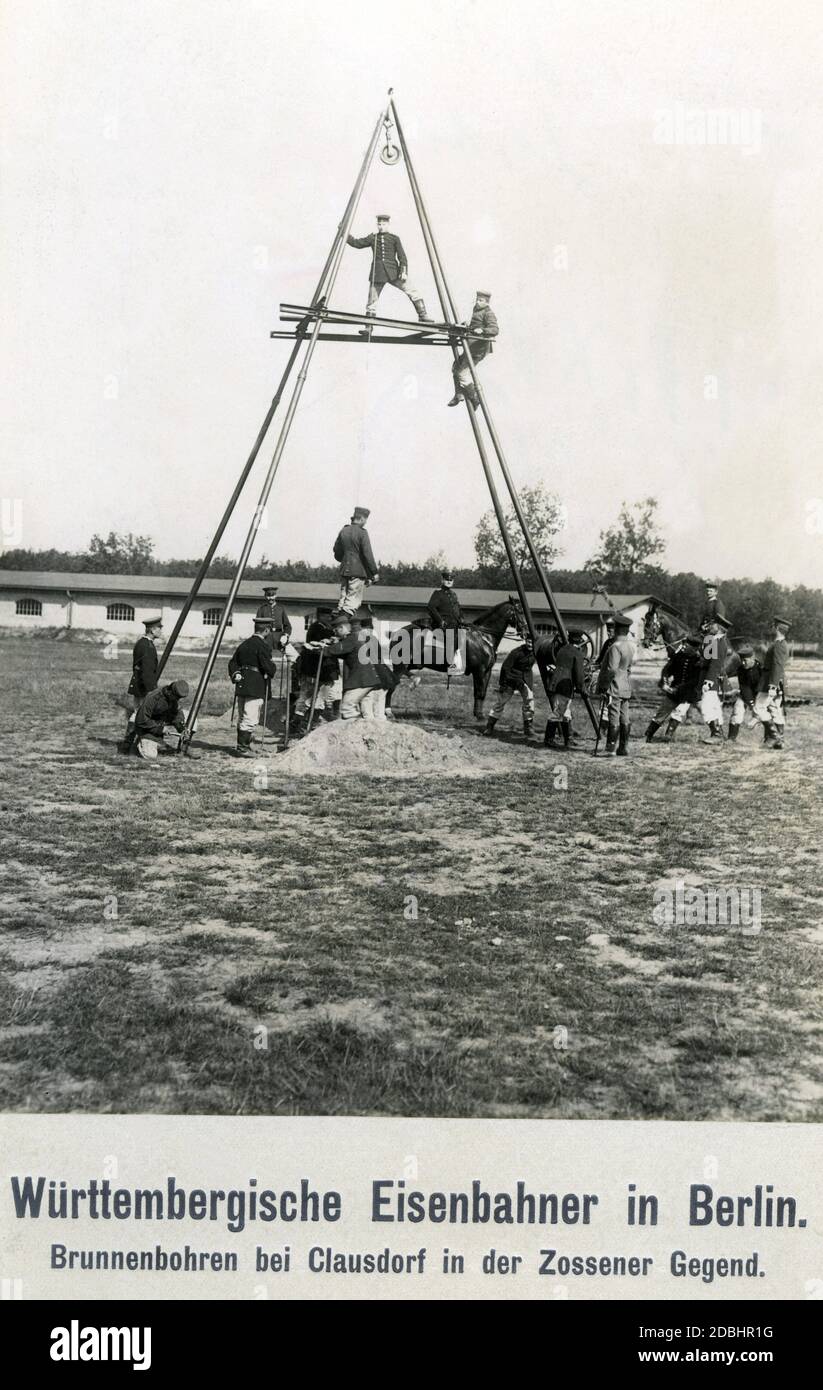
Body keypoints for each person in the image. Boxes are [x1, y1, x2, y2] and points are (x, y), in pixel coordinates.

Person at [346, 214, 433, 325]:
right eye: (379, 224)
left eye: (383, 224)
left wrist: (403, 272)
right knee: (372, 302)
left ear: (388, 224)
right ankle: (368, 327)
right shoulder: (373, 238)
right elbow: (356, 243)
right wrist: (344, 232)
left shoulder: (394, 238)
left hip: (394, 273)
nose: (381, 226)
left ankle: (423, 316)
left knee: (413, 292)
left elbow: (402, 257)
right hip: (378, 274)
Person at [316, 612, 383, 719]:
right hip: (369, 679)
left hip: (361, 680)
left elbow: (331, 651)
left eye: (336, 629)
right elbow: (345, 653)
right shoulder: (354, 637)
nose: (335, 632)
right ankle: (369, 732)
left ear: (342, 628)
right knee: (367, 712)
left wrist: (316, 648)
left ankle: (353, 730)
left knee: (347, 707)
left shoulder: (351, 639)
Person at [227, 618, 277, 757]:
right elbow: (268, 667)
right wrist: (273, 668)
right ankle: (242, 748)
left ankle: (244, 745)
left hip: (242, 684)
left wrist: (236, 673)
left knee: (243, 716)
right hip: (256, 685)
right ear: (266, 630)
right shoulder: (263, 646)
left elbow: (233, 663)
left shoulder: (244, 644)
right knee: (250, 717)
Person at [644, 634, 703, 742]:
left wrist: (679, 689)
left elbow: (695, 681)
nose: (684, 646)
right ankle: (648, 735)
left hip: (688, 693)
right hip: (674, 691)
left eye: (687, 645)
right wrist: (665, 680)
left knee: (679, 712)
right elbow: (667, 669)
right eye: (684, 644)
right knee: (662, 712)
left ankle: (668, 736)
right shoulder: (678, 656)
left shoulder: (698, 662)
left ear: (694, 648)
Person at [447, 291, 499, 408]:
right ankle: (458, 394)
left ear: (486, 302)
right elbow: (475, 325)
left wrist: (483, 330)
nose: (477, 302)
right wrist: (468, 325)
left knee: (462, 373)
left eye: (481, 301)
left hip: (478, 349)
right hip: (471, 346)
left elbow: (494, 329)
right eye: (477, 299)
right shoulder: (476, 310)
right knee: (455, 366)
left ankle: (475, 397)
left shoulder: (488, 313)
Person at [293, 609, 341, 729]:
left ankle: (307, 721)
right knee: (310, 696)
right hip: (315, 668)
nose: (330, 618)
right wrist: (331, 640)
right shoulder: (317, 628)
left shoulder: (326, 627)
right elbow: (321, 646)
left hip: (324, 669)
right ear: (321, 616)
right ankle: (301, 722)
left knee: (319, 697)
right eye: (327, 616)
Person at [122, 616, 162, 751]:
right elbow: (146, 671)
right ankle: (131, 744)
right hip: (143, 686)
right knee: (140, 713)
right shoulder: (146, 646)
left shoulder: (145, 643)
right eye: (159, 628)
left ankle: (131, 743)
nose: (161, 631)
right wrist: (151, 690)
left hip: (140, 685)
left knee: (138, 713)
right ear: (152, 630)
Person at [597, 613, 635, 756]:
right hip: (626, 686)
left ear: (617, 629)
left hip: (614, 687)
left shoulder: (615, 647)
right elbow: (629, 668)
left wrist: (604, 685)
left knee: (613, 715)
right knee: (625, 717)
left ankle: (610, 749)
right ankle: (623, 747)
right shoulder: (630, 647)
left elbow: (612, 669)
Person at [483, 641, 537, 741]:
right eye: (529, 642)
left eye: (532, 642)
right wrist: (503, 685)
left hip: (526, 679)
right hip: (511, 679)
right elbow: (505, 667)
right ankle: (489, 727)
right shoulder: (516, 652)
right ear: (525, 640)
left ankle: (528, 728)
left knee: (529, 700)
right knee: (501, 702)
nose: (530, 644)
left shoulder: (535, 652)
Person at [543, 629, 587, 749]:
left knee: (565, 712)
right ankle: (549, 740)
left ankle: (569, 739)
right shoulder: (577, 653)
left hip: (555, 683)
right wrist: (581, 688)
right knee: (557, 712)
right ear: (580, 640)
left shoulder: (562, 649)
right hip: (565, 685)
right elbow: (578, 674)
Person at [333, 507, 379, 616]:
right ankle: (342, 623)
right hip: (358, 572)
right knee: (352, 602)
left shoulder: (343, 530)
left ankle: (337, 621)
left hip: (344, 571)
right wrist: (374, 573)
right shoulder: (362, 533)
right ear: (362, 519)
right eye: (366, 520)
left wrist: (344, 560)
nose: (366, 522)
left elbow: (336, 551)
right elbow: (368, 554)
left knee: (343, 600)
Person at [129, 680, 191, 761]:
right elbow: (141, 721)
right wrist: (160, 729)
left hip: (160, 725)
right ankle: (138, 743)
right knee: (150, 755)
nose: (178, 700)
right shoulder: (153, 698)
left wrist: (182, 729)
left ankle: (182, 749)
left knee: (194, 721)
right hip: (146, 730)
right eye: (177, 697)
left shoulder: (173, 698)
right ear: (170, 692)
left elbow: (177, 714)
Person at [755, 616, 791, 750]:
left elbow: (777, 666)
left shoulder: (779, 645)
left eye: (773, 626)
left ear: (777, 628)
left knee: (759, 707)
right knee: (775, 710)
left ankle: (774, 736)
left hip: (770, 681)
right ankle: (779, 740)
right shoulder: (779, 644)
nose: (771, 628)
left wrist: (772, 685)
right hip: (773, 681)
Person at [699, 613, 732, 743]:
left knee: (707, 706)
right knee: (714, 706)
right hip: (713, 679)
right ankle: (719, 733)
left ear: (718, 627)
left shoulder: (719, 643)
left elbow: (715, 664)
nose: (710, 626)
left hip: (712, 680)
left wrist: (707, 682)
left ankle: (716, 734)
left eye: (712, 624)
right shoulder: (715, 640)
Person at [426, 568, 465, 675]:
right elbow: (431, 608)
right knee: (451, 637)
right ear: (442, 580)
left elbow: (458, 609)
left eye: (451, 580)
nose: (449, 581)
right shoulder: (438, 594)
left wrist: (462, 618)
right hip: (442, 625)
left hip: (455, 624)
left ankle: (462, 662)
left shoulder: (453, 595)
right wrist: (440, 621)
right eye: (447, 579)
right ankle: (450, 664)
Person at [727, 642, 762, 742]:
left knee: (762, 715)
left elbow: (763, 686)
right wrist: (750, 702)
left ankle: (769, 737)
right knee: (737, 710)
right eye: (741, 660)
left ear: (752, 658)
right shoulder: (741, 670)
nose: (743, 663)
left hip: (761, 695)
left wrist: (756, 703)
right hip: (746, 695)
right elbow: (744, 687)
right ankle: (731, 738)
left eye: (745, 660)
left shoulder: (761, 668)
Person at [255, 585, 292, 653]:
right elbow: (257, 626)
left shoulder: (281, 608)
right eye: (268, 596)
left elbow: (288, 626)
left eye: (272, 596)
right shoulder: (261, 609)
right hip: (266, 639)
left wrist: (285, 635)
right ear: (265, 596)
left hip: (279, 638)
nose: (270, 598)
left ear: (276, 596)